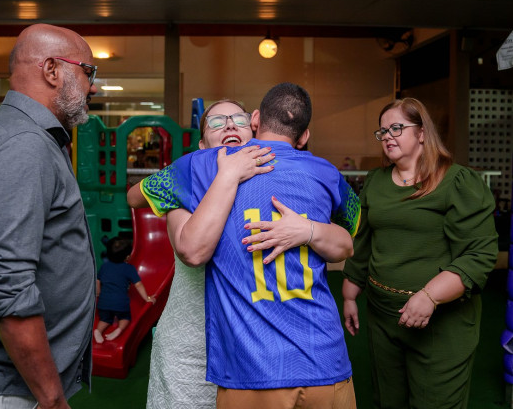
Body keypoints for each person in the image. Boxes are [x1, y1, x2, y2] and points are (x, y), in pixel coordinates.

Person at [134, 83, 360, 409]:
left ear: (254, 123)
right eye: (216, 122)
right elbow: (142, 203)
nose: (229, 126)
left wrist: (308, 229)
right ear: (201, 144)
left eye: (237, 120)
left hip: (255, 360)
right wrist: (225, 175)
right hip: (288, 354)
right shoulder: (197, 167)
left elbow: (346, 242)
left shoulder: (199, 166)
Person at [0, 23, 98, 409]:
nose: (93, 87)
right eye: (88, 71)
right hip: (7, 389)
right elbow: (6, 285)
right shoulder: (23, 144)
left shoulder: (29, 135)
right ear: (52, 70)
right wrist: (52, 398)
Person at [341, 97, 498, 408]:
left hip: (442, 325)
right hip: (383, 318)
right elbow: (363, 242)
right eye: (382, 131)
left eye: (396, 128)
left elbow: (478, 254)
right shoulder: (376, 181)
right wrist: (348, 295)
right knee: (389, 401)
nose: (387, 136)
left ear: (422, 132)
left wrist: (430, 296)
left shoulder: (457, 181)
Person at [94, 237, 156, 344]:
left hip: (103, 302)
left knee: (104, 319)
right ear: (127, 257)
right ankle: (119, 329)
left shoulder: (104, 267)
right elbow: (138, 285)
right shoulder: (129, 269)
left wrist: (98, 293)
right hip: (120, 303)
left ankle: (98, 331)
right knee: (125, 318)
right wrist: (147, 298)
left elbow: (97, 281)